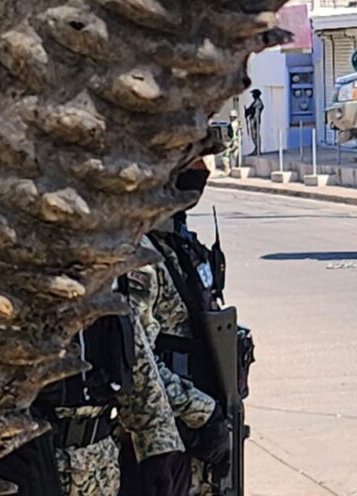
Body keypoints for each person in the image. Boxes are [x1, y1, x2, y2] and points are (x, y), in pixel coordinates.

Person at [142, 159, 254, 496]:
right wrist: (202, 414)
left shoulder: (181, 242)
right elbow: (139, 360)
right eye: (188, 158)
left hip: (206, 416)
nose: (200, 168)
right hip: (171, 429)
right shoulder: (142, 255)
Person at [0, 299, 185, 496]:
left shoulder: (103, 287)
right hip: (27, 469)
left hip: (99, 469)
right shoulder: (9, 289)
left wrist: (159, 449)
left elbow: (138, 368)